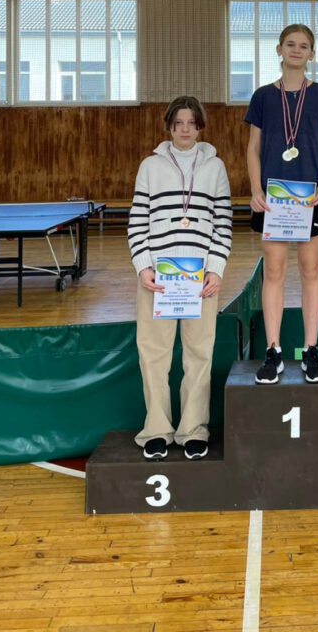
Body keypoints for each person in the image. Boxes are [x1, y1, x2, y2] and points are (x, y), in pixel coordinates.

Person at [128, 96, 232, 460]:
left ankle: (193, 430)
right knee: (154, 355)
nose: (185, 129)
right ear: (169, 127)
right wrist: (144, 266)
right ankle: (156, 429)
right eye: (178, 123)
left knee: (199, 354)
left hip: (199, 279)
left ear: (200, 127)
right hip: (158, 277)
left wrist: (215, 269)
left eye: (191, 123)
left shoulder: (215, 167)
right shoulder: (150, 166)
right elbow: (137, 220)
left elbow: (223, 223)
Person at [245, 24, 318, 385]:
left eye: (303, 46)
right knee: (274, 271)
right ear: (278, 49)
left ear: (312, 54)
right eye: (290, 44)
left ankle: (311, 349)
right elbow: (253, 148)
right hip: (274, 199)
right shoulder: (263, 96)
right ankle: (273, 351)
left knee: (310, 270)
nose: (296, 50)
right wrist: (256, 189)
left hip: (311, 197)